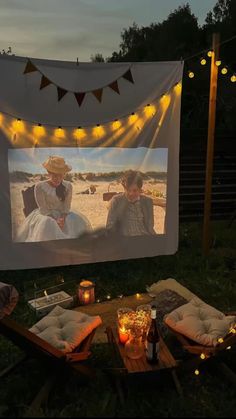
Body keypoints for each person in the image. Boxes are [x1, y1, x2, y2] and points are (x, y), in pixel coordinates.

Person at [16, 155, 92, 242]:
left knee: (74, 220)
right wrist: (55, 220)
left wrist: (62, 218)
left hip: (63, 214)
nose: (58, 179)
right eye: (55, 176)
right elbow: (43, 208)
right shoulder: (40, 186)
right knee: (47, 223)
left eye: (61, 176)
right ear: (48, 173)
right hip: (46, 214)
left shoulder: (68, 186)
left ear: (64, 175)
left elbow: (66, 206)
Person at [106, 170, 156, 236]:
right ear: (124, 188)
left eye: (135, 190)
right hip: (126, 242)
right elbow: (110, 227)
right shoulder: (116, 201)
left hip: (145, 239)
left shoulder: (147, 202)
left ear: (140, 190)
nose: (131, 193)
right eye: (128, 190)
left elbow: (150, 227)